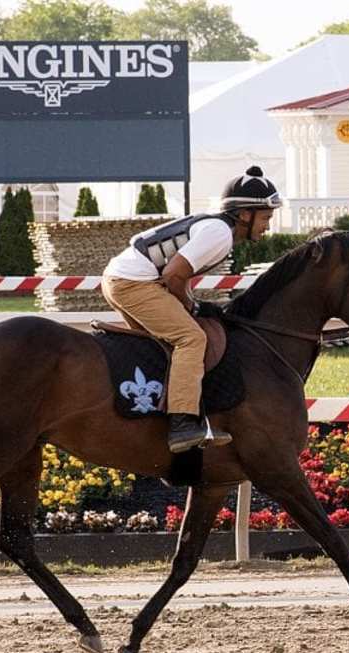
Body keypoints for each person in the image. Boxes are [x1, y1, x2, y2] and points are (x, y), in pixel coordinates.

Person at [102, 166, 281, 453]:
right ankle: (183, 425)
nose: (267, 226)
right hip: (132, 282)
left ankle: (164, 415)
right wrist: (191, 306)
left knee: (169, 343)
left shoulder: (215, 227)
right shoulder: (220, 234)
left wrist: (191, 304)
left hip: (124, 278)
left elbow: (175, 276)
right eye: (265, 218)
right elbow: (174, 275)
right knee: (191, 338)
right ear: (245, 215)